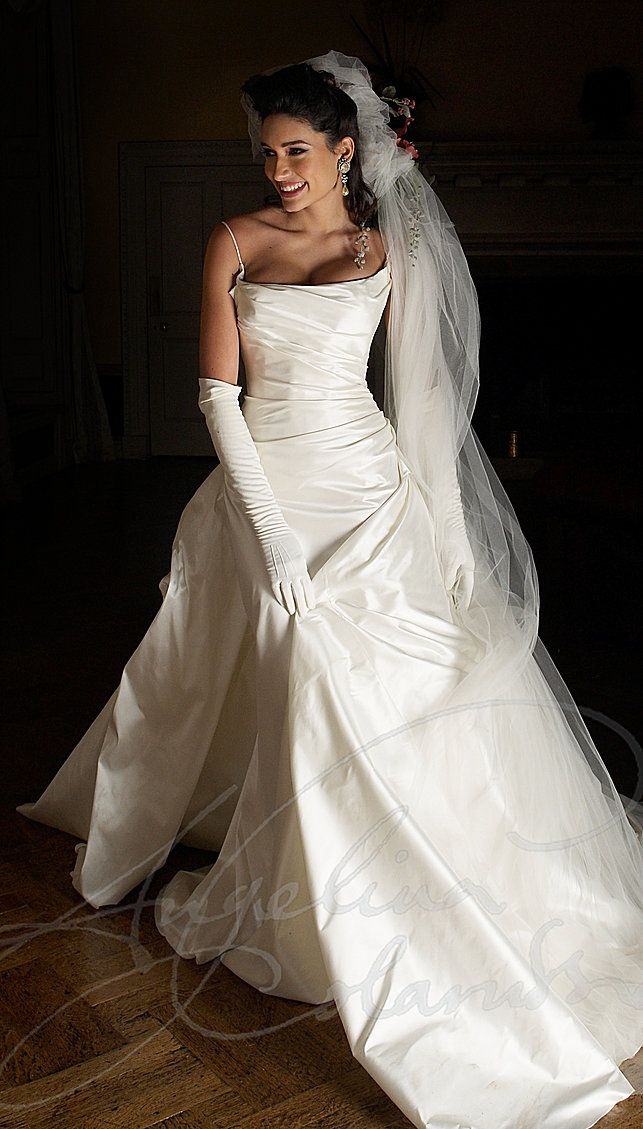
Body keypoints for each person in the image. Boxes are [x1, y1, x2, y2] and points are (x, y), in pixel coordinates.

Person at [16, 50, 643, 1129]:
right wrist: (270, 538)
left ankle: (424, 885)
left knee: (412, 691)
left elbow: (429, 400)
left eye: (298, 153)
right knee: (292, 672)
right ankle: (307, 884)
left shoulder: (385, 245)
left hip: (370, 489)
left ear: (345, 150)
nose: (281, 173)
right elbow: (217, 400)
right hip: (269, 490)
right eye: (267, 155)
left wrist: (446, 536)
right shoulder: (232, 239)